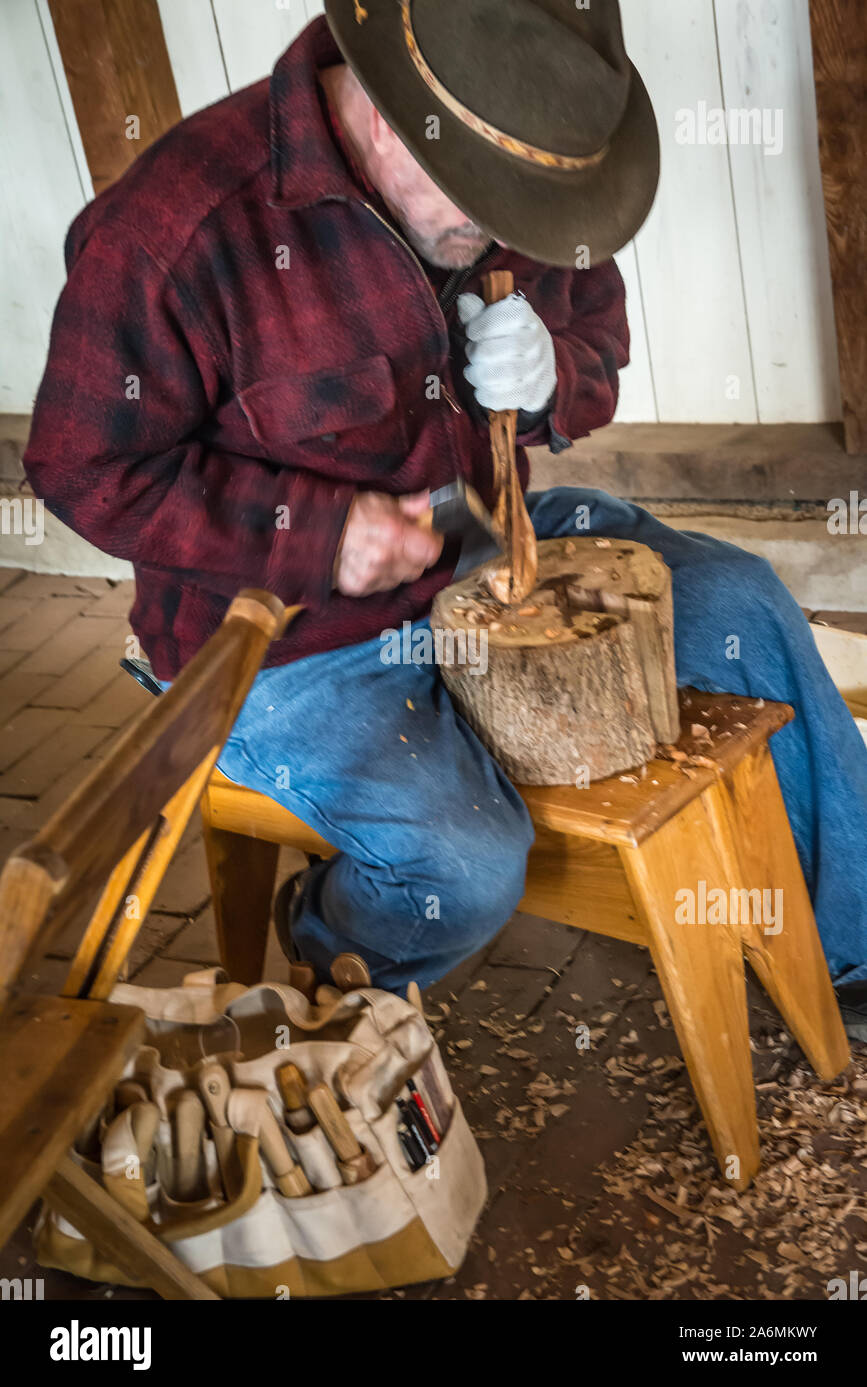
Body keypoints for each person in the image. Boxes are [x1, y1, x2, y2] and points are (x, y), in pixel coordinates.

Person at [24, 1, 867, 1035]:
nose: (506, 232)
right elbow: (83, 466)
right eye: (481, 206)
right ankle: (328, 946)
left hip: (483, 547)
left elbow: (594, 332)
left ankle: (856, 952)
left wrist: (558, 370)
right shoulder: (178, 228)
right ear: (388, 110)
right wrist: (320, 533)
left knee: (748, 606)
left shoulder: (525, 148)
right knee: (463, 865)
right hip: (284, 634)